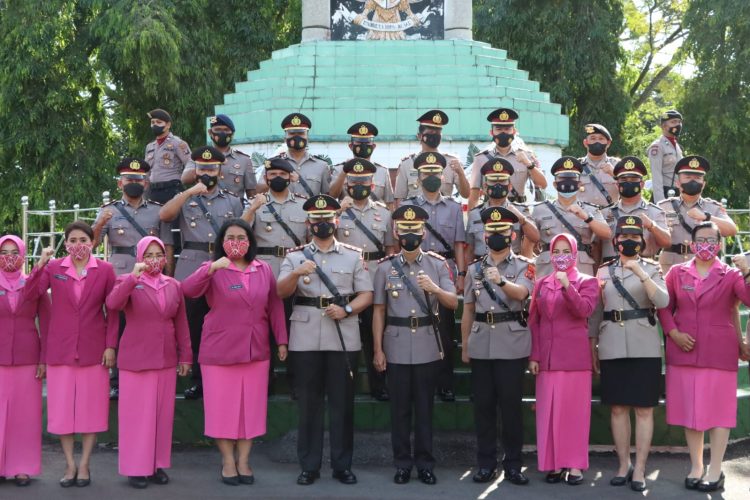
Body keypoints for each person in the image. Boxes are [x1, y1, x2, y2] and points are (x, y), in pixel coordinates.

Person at [277, 195, 373, 486]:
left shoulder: (353, 255)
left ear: (337, 221)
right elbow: (281, 292)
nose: (322, 224)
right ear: (308, 223)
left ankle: (342, 466)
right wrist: (295, 273)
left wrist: (346, 309)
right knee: (309, 405)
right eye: (316, 220)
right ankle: (309, 466)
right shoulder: (295, 257)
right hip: (305, 339)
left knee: (343, 404)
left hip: (342, 335)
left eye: (327, 219)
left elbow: (366, 295)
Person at [183, 219, 287, 486]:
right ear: (221, 242)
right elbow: (188, 290)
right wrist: (210, 268)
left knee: (249, 410)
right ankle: (228, 461)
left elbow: (274, 306)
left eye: (242, 237)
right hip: (219, 351)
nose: (236, 242)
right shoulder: (214, 268)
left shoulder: (262, 269)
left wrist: (282, 341)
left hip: (255, 350)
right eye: (230, 237)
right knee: (222, 409)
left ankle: (244, 460)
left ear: (251, 242)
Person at [658, 222, 750, 492]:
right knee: (691, 412)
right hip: (684, 351)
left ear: (719, 245)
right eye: (701, 240)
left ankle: (716, 468)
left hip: (719, 352)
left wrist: (748, 270)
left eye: (712, 240)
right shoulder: (676, 272)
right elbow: (665, 307)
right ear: (692, 243)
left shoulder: (731, 274)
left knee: (719, 413)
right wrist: (673, 334)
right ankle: (696, 464)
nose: (706, 245)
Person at [26, 221, 118, 488]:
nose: (78, 245)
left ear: (92, 243)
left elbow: (112, 310)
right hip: (61, 349)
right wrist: (40, 264)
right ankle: (69, 464)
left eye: (83, 240)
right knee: (63, 412)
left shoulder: (105, 270)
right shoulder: (55, 268)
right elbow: (32, 294)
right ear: (66, 243)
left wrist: (111, 345)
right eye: (73, 240)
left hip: (94, 349)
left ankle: (86, 464)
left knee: (91, 412)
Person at [372, 205, 457, 485]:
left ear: (423, 232)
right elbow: (379, 311)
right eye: (405, 230)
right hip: (395, 345)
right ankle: (402, 464)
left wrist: (434, 288)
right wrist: (377, 349)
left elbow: (453, 302)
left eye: (415, 230)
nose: (410, 234)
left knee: (424, 410)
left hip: (425, 345)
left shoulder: (437, 264)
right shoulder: (385, 266)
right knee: (399, 411)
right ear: (397, 232)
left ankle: (425, 464)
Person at [160, 146, 246, 400]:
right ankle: (198, 380)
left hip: (223, 263)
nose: (206, 172)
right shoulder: (186, 197)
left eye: (211, 168)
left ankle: (224, 375)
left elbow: (241, 232)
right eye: (202, 168)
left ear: (220, 171)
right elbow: (165, 215)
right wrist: (188, 191)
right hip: (192, 264)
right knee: (194, 324)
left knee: (225, 323)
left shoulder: (232, 199)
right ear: (195, 170)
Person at [105, 236, 192, 489]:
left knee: (162, 416)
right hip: (136, 359)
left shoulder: (174, 285)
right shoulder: (128, 281)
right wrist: (133, 277)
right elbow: (113, 304)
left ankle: (155, 464)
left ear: (165, 258)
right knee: (137, 416)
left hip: (165, 358)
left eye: (159, 255)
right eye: (149, 255)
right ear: (140, 257)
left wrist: (185, 355)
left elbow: (182, 323)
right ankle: (135, 467)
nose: (154, 260)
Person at [591, 216, 668, 492]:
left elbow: (663, 301)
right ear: (615, 241)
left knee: (644, 409)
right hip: (611, 343)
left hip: (643, 345)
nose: (629, 241)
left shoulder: (652, 268)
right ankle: (623, 464)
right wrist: (593, 346)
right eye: (624, 236)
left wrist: (641, 272)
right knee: (618, 407)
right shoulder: (602, 272)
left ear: (642, 241)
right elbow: (596, 311)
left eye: (635, 237)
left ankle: (641, 468)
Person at [460, 207, 535, 485]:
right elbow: (468, 310)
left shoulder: (525, 265)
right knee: (484, 408)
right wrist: (465, 346)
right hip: (481, 344)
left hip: (511, 343)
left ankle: (514, 464)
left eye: (501, 233)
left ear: (512, 235)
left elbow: (523, 293)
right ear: (484, 235)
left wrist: (500, 280)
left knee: (511, 408)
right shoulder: (473, 270)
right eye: (491, 233)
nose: (496, 237)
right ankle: (485, 464)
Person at [92, 157, 173, 399]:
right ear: (120, 183)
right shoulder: (109, 210)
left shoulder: (158, 211)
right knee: (119, 326)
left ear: (146, 183)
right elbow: (92, 242)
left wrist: (168, 275)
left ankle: (149, 369)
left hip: (153, 275)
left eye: (139, 179)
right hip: (121, 273)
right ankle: (117, 380)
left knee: (149, 324)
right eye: (129, 179)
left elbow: (167, 245)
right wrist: (101, 223)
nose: (134, 183)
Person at [528, 233, 598, 485]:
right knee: (549, 413)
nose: (560, 256)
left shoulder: (587, 282)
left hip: (575, 360)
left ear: (575, 253)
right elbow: (534, 322)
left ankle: (576, 465)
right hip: (547, 360)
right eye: (555, 251)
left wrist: (568, 286)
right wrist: (535, 355)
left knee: (574, 415)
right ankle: (554, 464)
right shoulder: (541, 283)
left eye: (564, 251)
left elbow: (584, 311)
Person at [401, 151, 465, 401]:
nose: (431, 177)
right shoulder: (408, 208)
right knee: (415, 325)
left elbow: (459, 244)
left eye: (436, 173)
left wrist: (460, 274)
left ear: (442, 175)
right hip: (414, 267)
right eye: (426, 173)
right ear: (418, 177)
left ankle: (445, 383)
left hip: (445, 269)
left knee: (446, 331)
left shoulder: (454, 207)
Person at [243, 156, 309, 399]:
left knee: (296, 330)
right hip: (266, 271)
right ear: (266, 177)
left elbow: (311, 240)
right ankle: (265, 381)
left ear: (291, 177)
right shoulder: (257, 203)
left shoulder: (304, 204)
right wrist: (252, 208)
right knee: (264, 330)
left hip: (296, 272)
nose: (277, 178)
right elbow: (239, 232)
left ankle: (296, 383)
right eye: (272, 175)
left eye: (282, 174)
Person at [337, 158, 395, 401]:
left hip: (373, 277)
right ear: (347, 183)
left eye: (363, 182)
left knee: (375, 334)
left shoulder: (383, 212)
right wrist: (338, 210)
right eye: (353, 181)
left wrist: (388, 276)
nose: (358, 185)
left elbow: (391, 248)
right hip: (344, 279)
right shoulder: (337, 212)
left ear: (372, 185)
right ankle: (341, 384)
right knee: (344, 332)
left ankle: (378, 384)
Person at [0, 235, 45, 487]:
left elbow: (46, 322)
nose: (9, 256)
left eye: (13, 252)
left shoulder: (33, 283)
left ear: (23, 255)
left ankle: (22, 467)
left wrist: (44, 359)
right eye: (3, 251)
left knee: (25, 416)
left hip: (28, 358)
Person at [529, 157, 611, 278]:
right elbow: (529, 242)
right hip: (548, 270)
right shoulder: (540, 209)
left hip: (580, 270)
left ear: (579, 183)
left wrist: (586, 217)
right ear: (555, 184)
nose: (567, 183)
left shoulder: (590, 210)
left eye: (572, 179)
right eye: (562, 179)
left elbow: (607, 234)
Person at [658, 155, 737, 273]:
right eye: (688, 177)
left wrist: (707, 217)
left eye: (697, 178)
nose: (693, 181)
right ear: (678, 183)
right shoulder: (664, 206)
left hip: (704, 269)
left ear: (703, 184)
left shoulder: (713, 208)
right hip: (669, 268)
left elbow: (732, 230)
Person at [468, 108, 547, 209]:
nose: (503, 133)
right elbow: (474, 195)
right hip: (490, 213)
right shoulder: (481, 158)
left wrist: (528, 164)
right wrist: (473, 221)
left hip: (520, 211)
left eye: (507, 129)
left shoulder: (526, 155)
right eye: (499, 129)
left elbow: (542, 185)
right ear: (491, 132)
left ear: (514, 131)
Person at [465, 157, 540, 261]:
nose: (498, 185)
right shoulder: (475, 214)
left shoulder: (521, 210)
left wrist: (522, 219)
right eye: (493, 181)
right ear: (486, 186)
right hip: (481, 269)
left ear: (509, 186)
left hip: (512, 269)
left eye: (502, 181)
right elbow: (469, 249)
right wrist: (464, 274)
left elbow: (535, 238)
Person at [600, 157, 671, 263]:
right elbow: (596, 245)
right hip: (611, 272)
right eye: (623, 180)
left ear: (642, 184)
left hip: (644, 268)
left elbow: (667, 243)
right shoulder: (605, 213)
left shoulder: (654, 212)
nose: (628, 183)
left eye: (633, 180)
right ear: (617, 185)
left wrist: (652, 226)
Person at [394, 110, 470, 204]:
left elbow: (466, 194)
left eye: (438, 132)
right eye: (431, 132)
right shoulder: (407, 164)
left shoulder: (452, 162)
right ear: (419, 136)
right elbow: (399, 200)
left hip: (444, 215)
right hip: (417, 217)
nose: (435, 135)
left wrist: (461, 173)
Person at [181, 114, 257, 199]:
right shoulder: (199, 156)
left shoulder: (244, 160)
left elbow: (252, 194)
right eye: (218, 129)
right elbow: (185, 179)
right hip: (205, 208)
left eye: (226, 130)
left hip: (235, 210)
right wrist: (203, 166)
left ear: (232, 133)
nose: (222, 133)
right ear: (210, 132)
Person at [257, 113, 330, 198]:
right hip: (281, 211)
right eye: (292, 134)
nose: (296, 137)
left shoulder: (321, 165)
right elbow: (258, 191)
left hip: (308, 211)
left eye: (301, 133)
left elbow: (328, 196)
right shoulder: (273, 164)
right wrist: (277, 180)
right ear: (285, 139)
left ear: (307, 138)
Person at [329, 122, 395, 209]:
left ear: (373, 146)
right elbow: (332, 196)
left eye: (367, 143)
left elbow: (389, 204)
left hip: (376, 219)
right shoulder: (340, 169)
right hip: (348, 219)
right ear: (351, 146)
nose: (363, 146)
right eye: (359, 143)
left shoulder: (382, 171)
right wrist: (344, 172)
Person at [144, 108, 191, 204]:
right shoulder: (150, 147)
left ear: (168, 125)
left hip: (172, 190)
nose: (155, 125)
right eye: (152, 122)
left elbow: (191, 164)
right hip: (153, 191)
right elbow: (146, 172)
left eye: (159, 122)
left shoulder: (178, 143)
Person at [576, 123, 620, 208]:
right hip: (584, 217)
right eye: (593, 138)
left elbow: (628, 190)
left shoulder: (617, 165)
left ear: (608, 143)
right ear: (585, 143)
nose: (597, 142)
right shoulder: (576, 166)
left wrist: (615, 175)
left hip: (610, 218)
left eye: (601, 138)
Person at [648, 110, 684, 202]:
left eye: (679, 122)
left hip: (677, 193)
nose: (678, 125)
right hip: (664, 193)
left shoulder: (676, 146)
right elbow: (656, 177)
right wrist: (660, 202)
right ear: (663, 126)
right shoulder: (657, 146)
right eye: (673, 122)